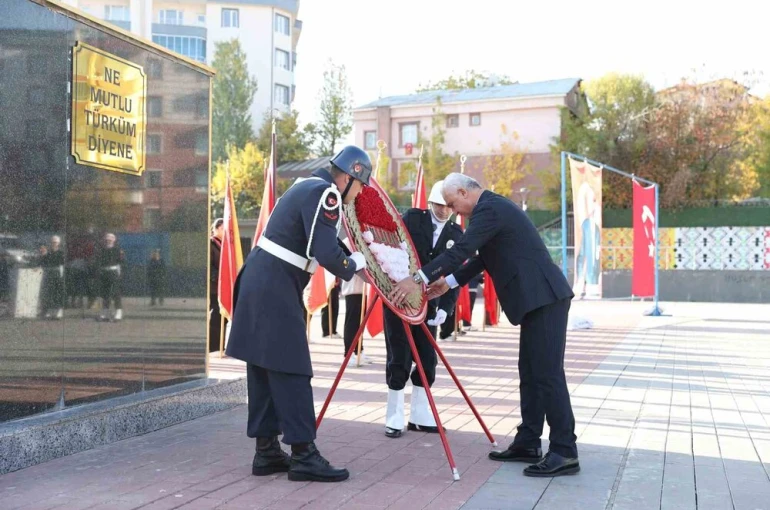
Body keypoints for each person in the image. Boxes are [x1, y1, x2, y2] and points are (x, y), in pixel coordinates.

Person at [389, 173, 579, 478]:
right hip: (534, 300)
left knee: (547, 374)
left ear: (464, 192)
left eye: (453, 204)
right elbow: (481, 260)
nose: (454, 212)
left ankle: (564, 450)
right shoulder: (491, 210)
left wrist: (418, 280)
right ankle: (529, 441)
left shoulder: (490, 209)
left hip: (545, 297)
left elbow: (461, 250)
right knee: (530, 373)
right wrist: (447, 283)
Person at [226, 145, 371, 483]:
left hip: (260, 279)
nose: (361, 192)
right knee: (293, 369)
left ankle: (266, 451)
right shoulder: (328, 195)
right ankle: (304, 454)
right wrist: (355, 264)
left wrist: (349, 255)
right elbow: (326, 252)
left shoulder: (307, 186)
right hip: (274, 285)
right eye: (362, 185)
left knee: (264, 367)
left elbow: (318, 242)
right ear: (350, 177)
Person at [383, 180, 463, 438]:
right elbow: (393, 250)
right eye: (439, 205)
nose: (443, 210)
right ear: (430, 203)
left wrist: (447, 306)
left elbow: (457, 273)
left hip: (431, 304)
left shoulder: (456, 234)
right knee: (400, 356)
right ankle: (394, 416)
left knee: (427, 359)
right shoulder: (412, 219)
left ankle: (419, 415)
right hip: (401, 299)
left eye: (448, 206)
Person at [340, 273, 372, 365]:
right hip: (352, 289)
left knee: (360, 323)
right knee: (352, 323)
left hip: (364, 289)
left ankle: (359, 351)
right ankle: (348, 354)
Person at [97, 233, 124, 322]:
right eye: (107, 240)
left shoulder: (117, 250)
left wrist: (119, 273)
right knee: (105, 293)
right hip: (104, 272)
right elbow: (99, 261)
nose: (108, 241)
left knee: (116, 292)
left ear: (114, 240)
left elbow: (121, 262)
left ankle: (118, 312)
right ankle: (105, 313)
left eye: (110, 240)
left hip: (113, 272)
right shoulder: (102, 250)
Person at [209, 219, 224, 353]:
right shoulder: (211, 244)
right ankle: (213, 347)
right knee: (215, 316)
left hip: (223, 288)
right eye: (224, 228)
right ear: (217, 228)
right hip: (214, 287)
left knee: (223, 317)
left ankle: (220, 346)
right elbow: (209, 267)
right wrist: (219, 278)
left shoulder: (225, 246)